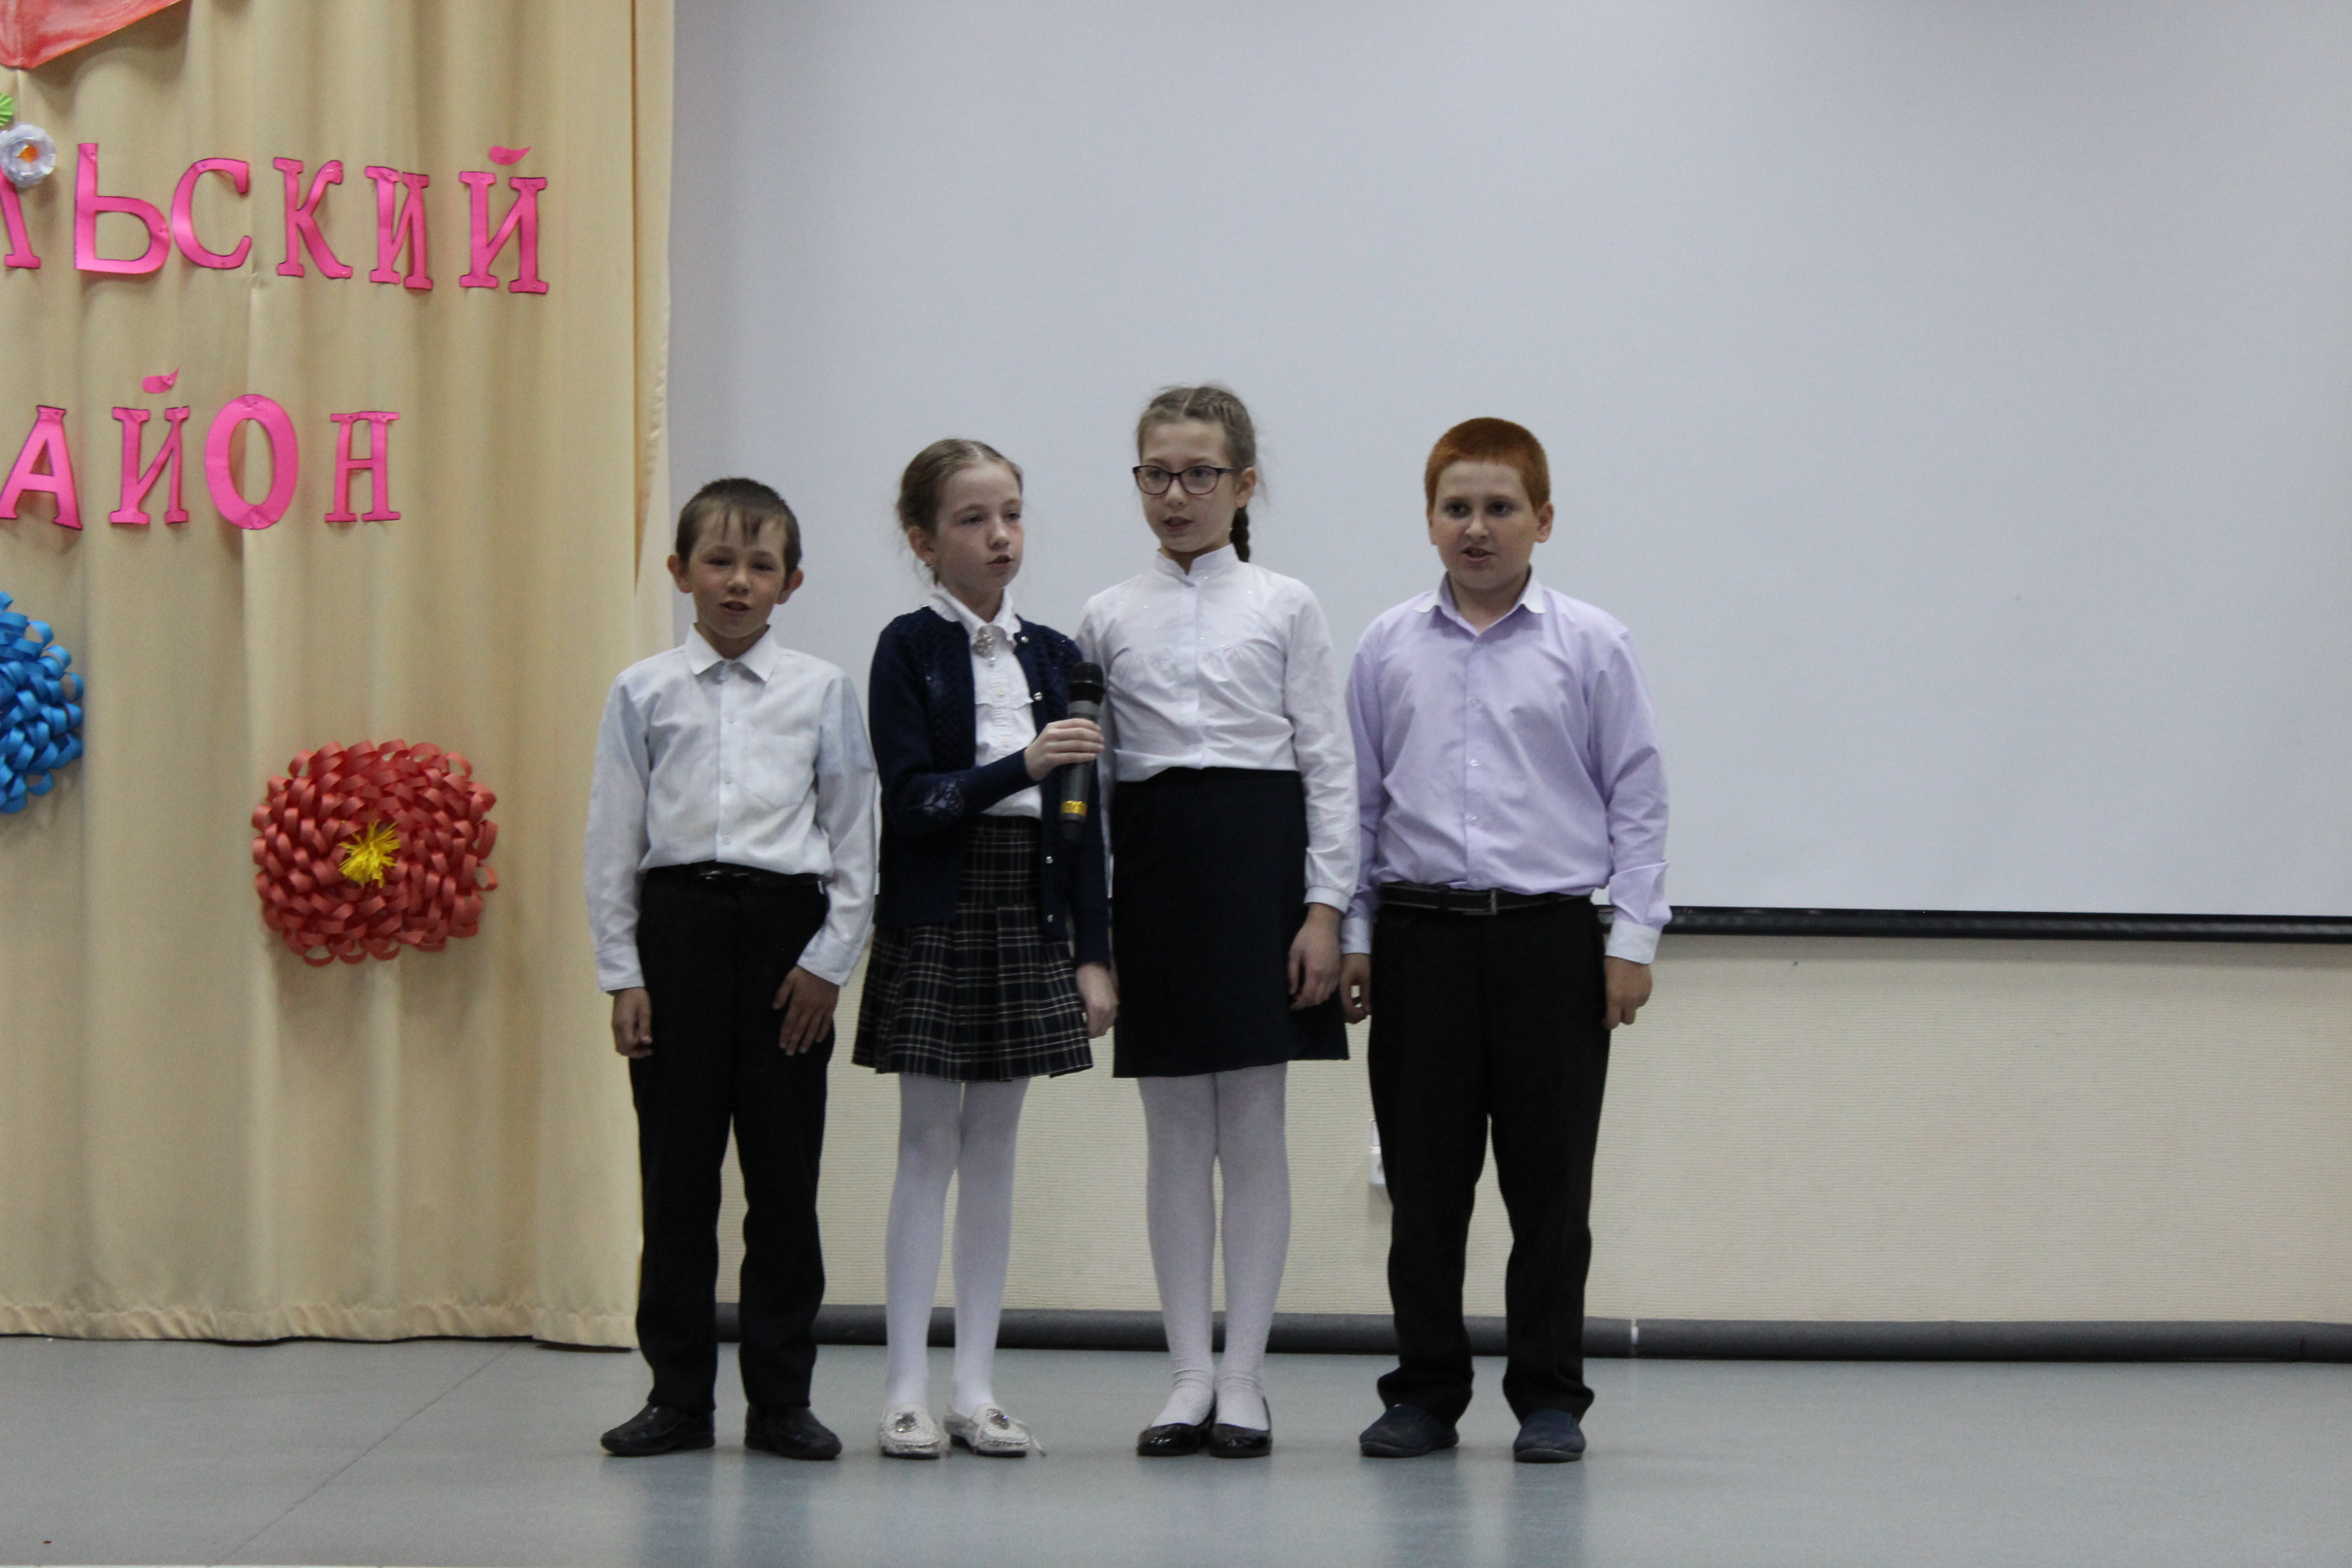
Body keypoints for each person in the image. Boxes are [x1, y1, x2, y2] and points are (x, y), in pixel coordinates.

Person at [1342, 418, 1668, 1465]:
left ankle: (1550, 1397)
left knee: (1550, 1190)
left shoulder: (1593, 644)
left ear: (1544, 519)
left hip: (1549, 945)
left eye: (1500, 508)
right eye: (1457, 508)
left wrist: (1633, 940)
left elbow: (1637, 797)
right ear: (1430, 520)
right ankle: (1426, 1392)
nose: (1477, 528)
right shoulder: (1387, 646)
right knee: (1425, 1189)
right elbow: (1357, 805)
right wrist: (1355, 933)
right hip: (1421, 941)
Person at [1075, 385, 1355, 1459]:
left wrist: (1324, 909)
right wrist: (1095, 936)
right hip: (1157, 872)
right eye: (1156, 473)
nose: (1176, 494)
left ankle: (1245, 1378)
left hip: (1259, 869)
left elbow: (1328, 765)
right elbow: (1094, 795)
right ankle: (1188, 1374)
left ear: (1244, 486)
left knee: (1254, 1125)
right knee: (1175, 1132)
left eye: (1199, 474)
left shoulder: (1286, 604)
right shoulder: (1106, 615)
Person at [584, 476, 877, 1461]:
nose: (739, 582)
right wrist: (624, 973)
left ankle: (782, 1399)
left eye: (761, 565)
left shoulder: (822, 691)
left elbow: (854, 838)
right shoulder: (643, 691)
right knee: (676, 1179)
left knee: (784, 1181)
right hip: (678, 935)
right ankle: (677, 1396)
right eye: (719, 560)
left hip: (786, 941)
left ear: (792, 582)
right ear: (680, 572)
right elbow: (612, 839)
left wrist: (829, 963)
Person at [855, 439, 1117, 1459]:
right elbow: (912, 800)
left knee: (997, 1148)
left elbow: (1083, 818)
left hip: (1029, 903)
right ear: (924, 541)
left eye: (1010, 513)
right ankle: (904, 1388)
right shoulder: (908, 646)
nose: (1000, 534)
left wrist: (1093, 949)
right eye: (972, 519)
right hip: (939, 904)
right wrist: (1019, 764)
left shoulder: (1052, 655)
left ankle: (975, 1386)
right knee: (928, 1144)